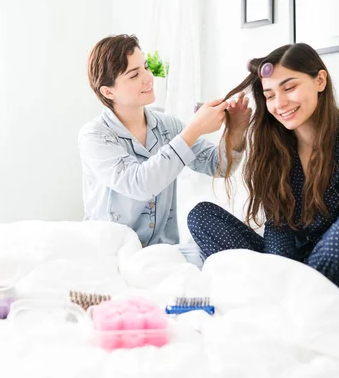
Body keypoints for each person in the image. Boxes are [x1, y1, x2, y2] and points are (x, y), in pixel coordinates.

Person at [187, 43, 339, 326]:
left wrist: (289, 281)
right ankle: (287, 308)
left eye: (289, 88)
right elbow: (279, 233)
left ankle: (287, 312)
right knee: (202, 215)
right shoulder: (276, 152)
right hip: (298, 278)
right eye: (270, 95)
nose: (279, 103)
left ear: (320, 81)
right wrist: (283, 276)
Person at [78, 34, 250, 264]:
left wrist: (236, 130)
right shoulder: (95, 136)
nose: (148, 77)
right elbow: (140, 184)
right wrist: (194, 129)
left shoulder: (169, 126)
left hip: (161, 253)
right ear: (108, 92)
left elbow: (220, 167)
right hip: (109, 254)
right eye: (134, 74)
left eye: (145, 67)